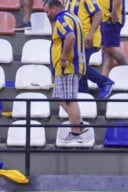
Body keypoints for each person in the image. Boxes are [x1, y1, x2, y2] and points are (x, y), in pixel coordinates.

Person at [46, 0, 89, 145]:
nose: (47, 15)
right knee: (60, 97)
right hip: (67, 67)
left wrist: (64, 57)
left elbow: (70, 37)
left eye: (47, 12)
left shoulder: (62, 19)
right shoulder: (72, 16)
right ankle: (78, 122)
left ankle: (75, 132)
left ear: (54, 8)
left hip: (68, 67)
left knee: (70, 99)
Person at [66, 0, 113, 99]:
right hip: (76, 41)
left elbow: (98, 14)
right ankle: (84, 95)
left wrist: (91, 34)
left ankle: (104, 82)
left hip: (87, 40)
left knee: (78, 65)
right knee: (80, 72)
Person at [98, 0, 126, 79]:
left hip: (109, 17)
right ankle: (104, 77)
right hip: (104, 17)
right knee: (106, 49)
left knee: (110, 47)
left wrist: (114, 12)